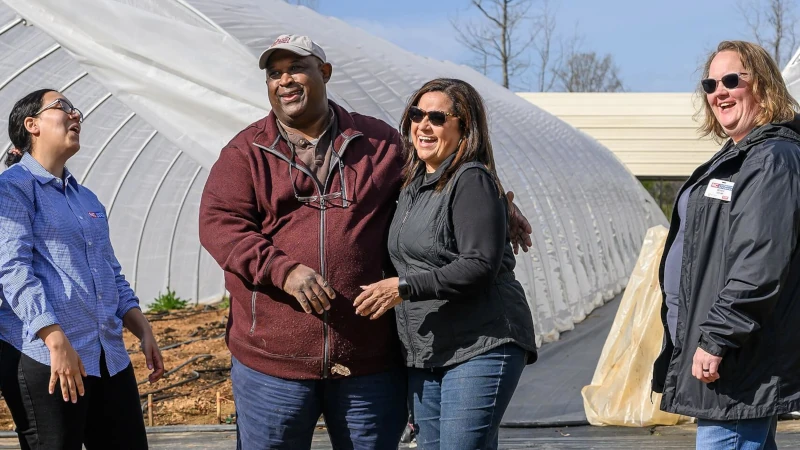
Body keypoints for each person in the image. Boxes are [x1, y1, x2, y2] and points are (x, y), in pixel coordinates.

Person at [198, 35, 533, 450]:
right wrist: (282, 271)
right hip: (273, 362)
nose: (284, 80)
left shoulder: (378, 143)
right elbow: (219, 225)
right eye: (274, 73)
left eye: (296, 68)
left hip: (366, 362)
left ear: (324, 73)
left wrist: (500, 203)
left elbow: (448, 169)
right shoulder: (246, 153)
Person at [353, 78, 537, 450]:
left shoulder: (471, 180)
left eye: (438, 117)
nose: (423, 125)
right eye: (416, 114)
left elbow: (479, 264)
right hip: (428, 351)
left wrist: (403, 287)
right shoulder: (411, 183)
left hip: (480, 344)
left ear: (463, 127)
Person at [652, 40, 800, 450]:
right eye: (710, 83)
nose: (718, 91)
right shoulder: (738, 157)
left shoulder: (769, 159)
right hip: (731, 356)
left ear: (764, 86)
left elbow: (760, 260)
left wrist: (717, 337)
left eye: (732, 79)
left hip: (739, 360)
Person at [0, 89, 165, 450]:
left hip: (107, 355)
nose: (76, 116)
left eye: (76, 110)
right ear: (32, 125)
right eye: (63, 108)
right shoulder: (12, 190)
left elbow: (110, 272)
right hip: (46, 354)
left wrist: (142, 328)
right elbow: (12, 270)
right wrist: (55, 338)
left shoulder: (86, 198)